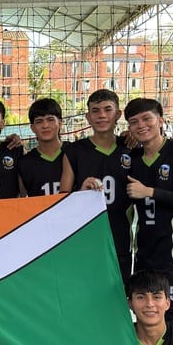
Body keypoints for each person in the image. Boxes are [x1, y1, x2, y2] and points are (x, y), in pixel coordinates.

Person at [125, 98, 173, 324]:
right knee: (145, 318)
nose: (141, 125)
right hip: (145, 253)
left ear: (160, 120)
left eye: (146, 119)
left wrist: (149, 191)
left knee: (172, 318)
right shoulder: (132, 159)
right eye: (133, 122)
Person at [60, 89, 134, 283]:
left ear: (118, 114)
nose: (101, 115)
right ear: (88, 117)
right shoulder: (74, 151)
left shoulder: (132, 148)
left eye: (107, 109)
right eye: (95, 111)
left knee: (120, 296)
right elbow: (62, 198)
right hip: (86, 237)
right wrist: (80, 192)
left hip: (120, 237)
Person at [18, 98, 63, 197]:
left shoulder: (74, 152)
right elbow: (21, 198)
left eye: (50, 119)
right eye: (39, 121)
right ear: (32, 128)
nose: (45, 125)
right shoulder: (24, 163)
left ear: (60, 123)